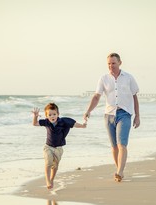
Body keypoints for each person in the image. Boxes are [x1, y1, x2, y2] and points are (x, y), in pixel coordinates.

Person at [84, 53, 140, 182]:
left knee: (122, 144)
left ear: (120, 63)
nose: (111, 66)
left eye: (113, 63)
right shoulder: (103, 78)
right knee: (114, 146)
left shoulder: (129, 78)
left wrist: (137, 116)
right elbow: (97, 96)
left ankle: (119, 172)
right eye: (109, 63)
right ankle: (119, 170)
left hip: (124, 114)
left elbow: (134, 97)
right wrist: (88, 111)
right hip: (109, 115)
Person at [33, 103, 86, 190]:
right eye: (50, 115)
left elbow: (75, 124)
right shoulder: (46, 122)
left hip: (59, 148)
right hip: (48, 147)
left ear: (58, 114)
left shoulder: (64, 121)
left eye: (54, 114)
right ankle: (47, 181)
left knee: (55, 166)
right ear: (47, 116)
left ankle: (52, 179)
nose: (52, 116)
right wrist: (35, 116)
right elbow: (35, 123)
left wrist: (82, 126)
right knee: (48, 162)